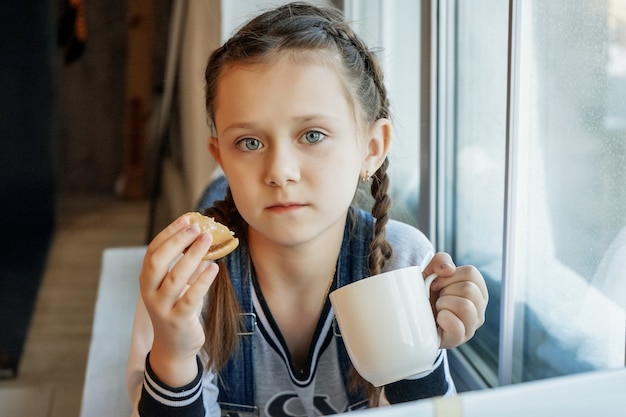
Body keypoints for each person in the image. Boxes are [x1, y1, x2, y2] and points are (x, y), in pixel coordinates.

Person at [127, 2, 489, 416]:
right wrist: (173, 350)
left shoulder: (403, 265)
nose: (280, 172)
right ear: (221, 158)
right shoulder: (187, 283)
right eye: (249, 142)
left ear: (371, 148)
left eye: (312, 135)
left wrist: (424, 350)